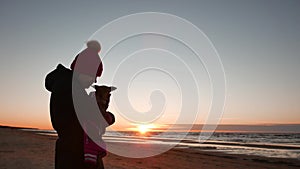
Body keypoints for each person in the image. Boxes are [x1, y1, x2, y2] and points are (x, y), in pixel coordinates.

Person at [45, 40, 103, 169]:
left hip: (68, 150)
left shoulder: (68, 85)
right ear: (85, 70)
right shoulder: (70, 87)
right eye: (94, 75)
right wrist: (106, 116)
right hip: (74, 154)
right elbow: (88, 118)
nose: (94, 81)